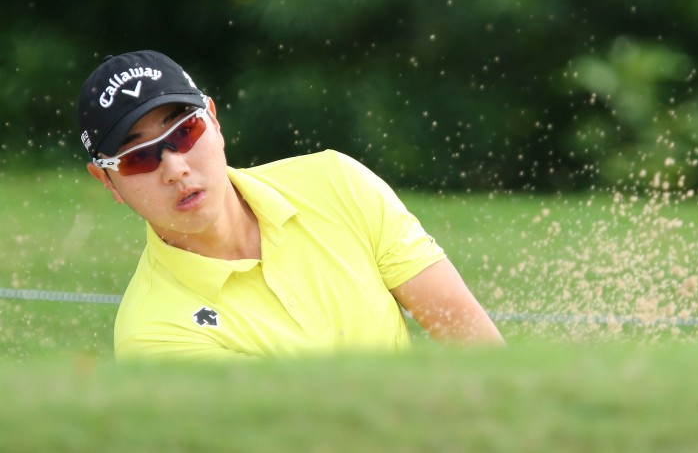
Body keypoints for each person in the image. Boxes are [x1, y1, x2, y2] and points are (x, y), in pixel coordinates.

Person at [78, 50, 503, 360]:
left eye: (186, 131)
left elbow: (475, 345)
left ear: (213, 118)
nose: (174, 168)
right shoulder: (153, 336)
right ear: (108, 181)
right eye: (138, 157)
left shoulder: (337, 182)